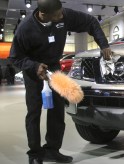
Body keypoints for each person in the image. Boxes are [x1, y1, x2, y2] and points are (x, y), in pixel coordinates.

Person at [9, 0, 112, 164]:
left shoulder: (64, 15)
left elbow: (91, 22)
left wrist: (103, 44)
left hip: (54, 69)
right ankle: (35, 154)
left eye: (61, 12)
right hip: (34, 71)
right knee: (34, 112)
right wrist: (34, 66)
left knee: (57, 111)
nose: (61, 16)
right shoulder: (26, 28)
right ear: (43, 14)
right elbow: (15, 57)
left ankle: (52, 149)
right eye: (57, 15)